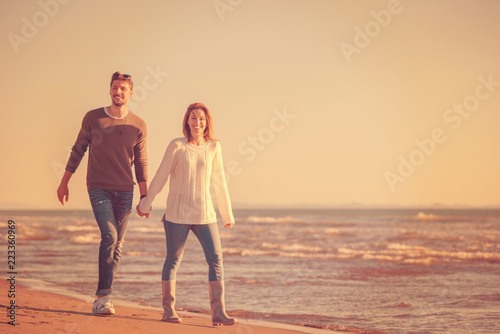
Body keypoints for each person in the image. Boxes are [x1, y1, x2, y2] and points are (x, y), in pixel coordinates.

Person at [56, 72, 148, 316]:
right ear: (110, 90)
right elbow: (78, 150)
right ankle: (103, 297)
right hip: (98, 187)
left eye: (123, 89)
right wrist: (64, 182)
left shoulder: (138, 125)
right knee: (109, 235)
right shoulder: (93, 118)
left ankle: (104, 296)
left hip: (126, 190)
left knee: (117, 243)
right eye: (115, 87)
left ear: (130, 93)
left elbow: (141, 162)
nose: (118, 92)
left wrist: (145, 196)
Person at [137, 102, 237, 326]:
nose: (197, 122)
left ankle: (219, 312)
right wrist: (146, 202)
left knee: (216, 260)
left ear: (206, 122)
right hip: (177, 214)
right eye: (193, 118)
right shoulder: (177, 145)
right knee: (173, 260)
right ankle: (168, 310)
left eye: (201, 118)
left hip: (205, 214)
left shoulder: (214, 147)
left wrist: (226, 215)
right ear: (187, 121)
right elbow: (162, 174)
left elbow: (219, 181)